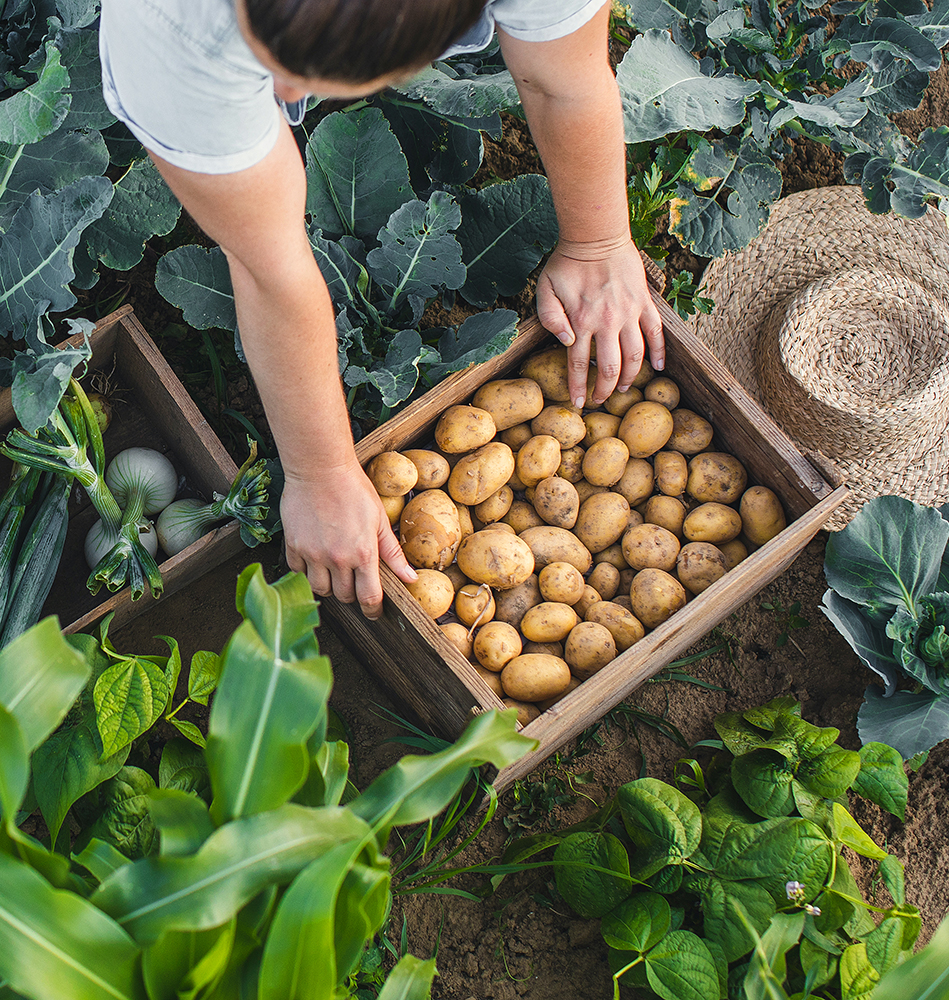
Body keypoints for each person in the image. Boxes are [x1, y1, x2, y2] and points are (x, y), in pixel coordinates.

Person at [99, 0, 664, 617]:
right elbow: (270, 274)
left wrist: (598, 242)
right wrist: (320, 472)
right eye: (268, 58)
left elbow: (567, 82)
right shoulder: (169, 28)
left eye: (305, 74)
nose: (283, 94)